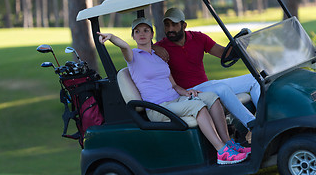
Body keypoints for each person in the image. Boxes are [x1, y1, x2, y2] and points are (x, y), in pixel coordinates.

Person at [97, 17, 250, 165]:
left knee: (212, 98)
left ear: (152, 34)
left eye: (145, 30)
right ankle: (221, 151)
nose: (142, 34)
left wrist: (187, 92)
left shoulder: (159, 58)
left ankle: (228, 143)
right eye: (137, 31)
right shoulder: (133, 57)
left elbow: (174, 86)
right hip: (158, 108)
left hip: (175, 100)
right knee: (197, 106)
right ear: (133, 36)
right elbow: (124, 46)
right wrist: (111, 37)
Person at [154, 8, 260, 134]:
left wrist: (243, 42)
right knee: (221, 88)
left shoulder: (198, 38)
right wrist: (152, 46)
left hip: (207, 86)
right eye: (167, 25)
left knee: (254, 79)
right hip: (188, 93)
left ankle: (266, 119)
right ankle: (254, 126)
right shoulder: (160, 48)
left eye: (174, 25)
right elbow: (139, 53)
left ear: (184, 25)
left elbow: (224, 54)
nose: (170, 29)